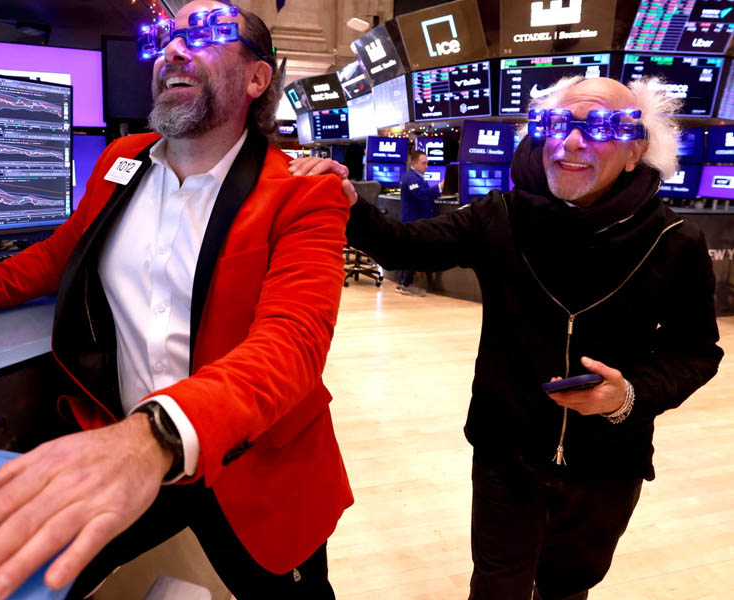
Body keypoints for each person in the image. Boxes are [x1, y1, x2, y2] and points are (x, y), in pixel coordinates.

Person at [0, 2, 353, 599]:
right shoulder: (121, 161)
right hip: (124, 444)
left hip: (247, 462)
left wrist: (156, 435)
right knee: (21, 572)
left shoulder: (303, 192)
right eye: (166, 37)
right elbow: (54, 259)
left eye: (205, 35)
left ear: (257, 78)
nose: (173, 50)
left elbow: (292, 344)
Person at [292, 76, 723, 600]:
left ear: (636, 152)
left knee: (568, 586)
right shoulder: (502, 217)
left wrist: (628, 395)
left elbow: (695, 352)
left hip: (607, 462)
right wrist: (347, 202)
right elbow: (403, 246)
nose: (570, 142)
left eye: (601, 128)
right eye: (556, 124)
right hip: (507, 453)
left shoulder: (673, 241)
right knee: (497, 587)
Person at [396, 149, 442, 295]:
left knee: (410, 253)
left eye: (427, 163)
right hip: (412, 222)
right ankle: (405, 284)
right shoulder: (411, 178)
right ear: (414, 163)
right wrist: (439, 187)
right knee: (412, 253)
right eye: (423, 163)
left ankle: (402, 284)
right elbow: (421, 195)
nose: (426, 166)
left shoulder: (418, 177)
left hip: (415, 221)